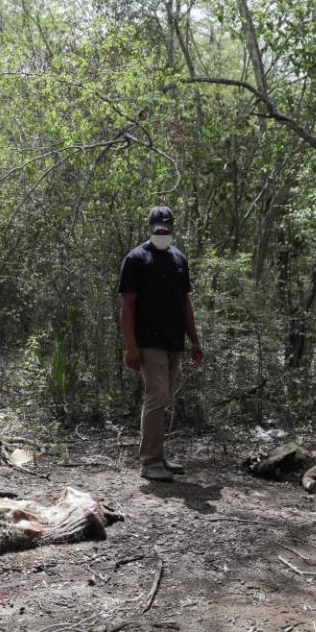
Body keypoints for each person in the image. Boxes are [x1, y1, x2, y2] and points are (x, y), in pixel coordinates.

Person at [118, 206, 203, 482]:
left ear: (173, 230)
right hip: (148, 341)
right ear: (150, 228)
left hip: (173, 342)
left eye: (166, 230)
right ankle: (150, 461)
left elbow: (185, 303)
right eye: (158, 230)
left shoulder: (179, 258)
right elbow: (127, 304)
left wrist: (195, 341)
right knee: (157, 397)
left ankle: (159, 457)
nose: (162, 234)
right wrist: (131, 346)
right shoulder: (136, 259)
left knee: (164, 398)